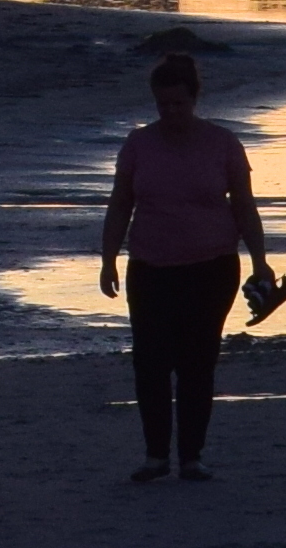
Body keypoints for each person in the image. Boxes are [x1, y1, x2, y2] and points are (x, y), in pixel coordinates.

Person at [100, 52, 275, 483]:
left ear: (194, 99)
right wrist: (107, 259)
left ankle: (191, 457)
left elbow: (245, 207)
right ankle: (156, 456)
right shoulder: (139, 144)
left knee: (198, 361)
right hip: (150, 265)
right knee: (151, 361)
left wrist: (260, 262)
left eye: (179, 103)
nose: (171, 112)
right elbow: (121, 203)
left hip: (212, 267)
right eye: (163, 105)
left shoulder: (223, 144)